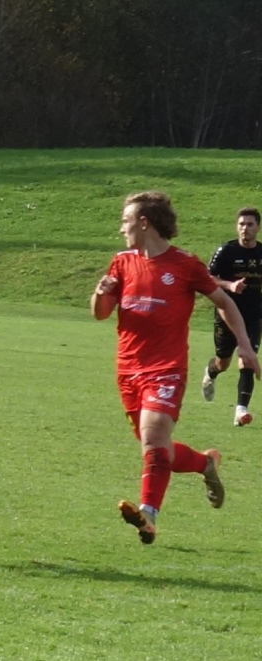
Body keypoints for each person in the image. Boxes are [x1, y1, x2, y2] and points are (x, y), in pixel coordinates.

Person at [90, 191, 260, 545]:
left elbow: (225, 302)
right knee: (157, 450)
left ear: (144, 223)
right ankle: (205, 464)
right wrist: (100, 293)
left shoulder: (185, 265)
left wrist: (245, 345)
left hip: (167, 369)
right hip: (128, 370)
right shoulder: (121, 262)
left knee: (154, 440)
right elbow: (101, 313)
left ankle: (148, 516)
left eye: (125, 221)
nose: (121, 228)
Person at [200, 207, 262, 426]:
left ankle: (241, 411)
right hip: (226, 312)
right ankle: (211, 372)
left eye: (250, 224)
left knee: (247, 359)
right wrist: (229, 285)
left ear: (258, 228)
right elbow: (207, 278)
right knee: (223, 362)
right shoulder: (226, 250)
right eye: (241, 224)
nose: (245, 228)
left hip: (253, 316)